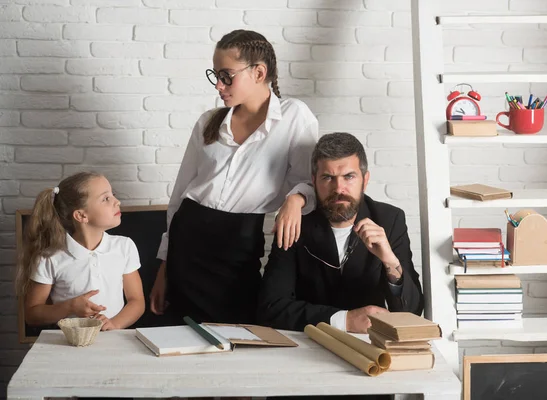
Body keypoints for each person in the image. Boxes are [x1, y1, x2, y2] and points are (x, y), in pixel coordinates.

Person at [150, 29, 318, 326]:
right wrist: (164, 267)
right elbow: (179, 197)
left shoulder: (295, 117)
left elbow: (309, 180)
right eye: (215, 75)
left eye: (226, 75)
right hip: (188, 240)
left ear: (258, 72)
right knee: (184, 336)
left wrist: (296, 198)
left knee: (239, 332)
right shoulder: (208, 122)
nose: (218, 85)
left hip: (238, 242)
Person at [257, 132, 424, 334]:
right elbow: (270, 308)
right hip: (307, 344)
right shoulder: (295, 222)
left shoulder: (390, 220)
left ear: (365, 179)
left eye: (349, 177)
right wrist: (344, 320)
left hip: (370, 347)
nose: (339, 188)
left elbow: (411, 311)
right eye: (328, 177)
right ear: (314, 181)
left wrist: (390, 262)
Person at [16, 172, 145, 331]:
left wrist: (114, 324)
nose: (117, 202)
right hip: (69, 344)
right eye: (106, 199)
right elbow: (32, 314)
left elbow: (137, 301)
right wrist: (69, 307)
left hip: (114, 342)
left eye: (114, 195)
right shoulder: (49, 257)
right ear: (81, 215)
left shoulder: (124, 247)